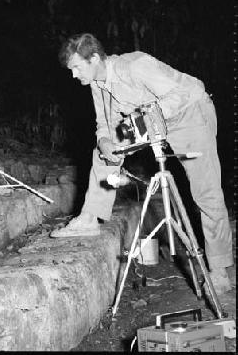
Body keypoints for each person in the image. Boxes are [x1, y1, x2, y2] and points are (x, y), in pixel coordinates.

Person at [50, 32, 235, 295]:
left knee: (205, 191)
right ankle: (90, 217)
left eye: (77, 68)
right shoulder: (96, 83)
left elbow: (186, 91)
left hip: (190, 115)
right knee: (104, 150)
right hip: (150, 120)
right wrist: (105, 141)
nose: (73, 75)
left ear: (93, 59)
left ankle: (219, 268)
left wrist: (145, 118)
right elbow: (104, 124)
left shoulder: (134, 65)